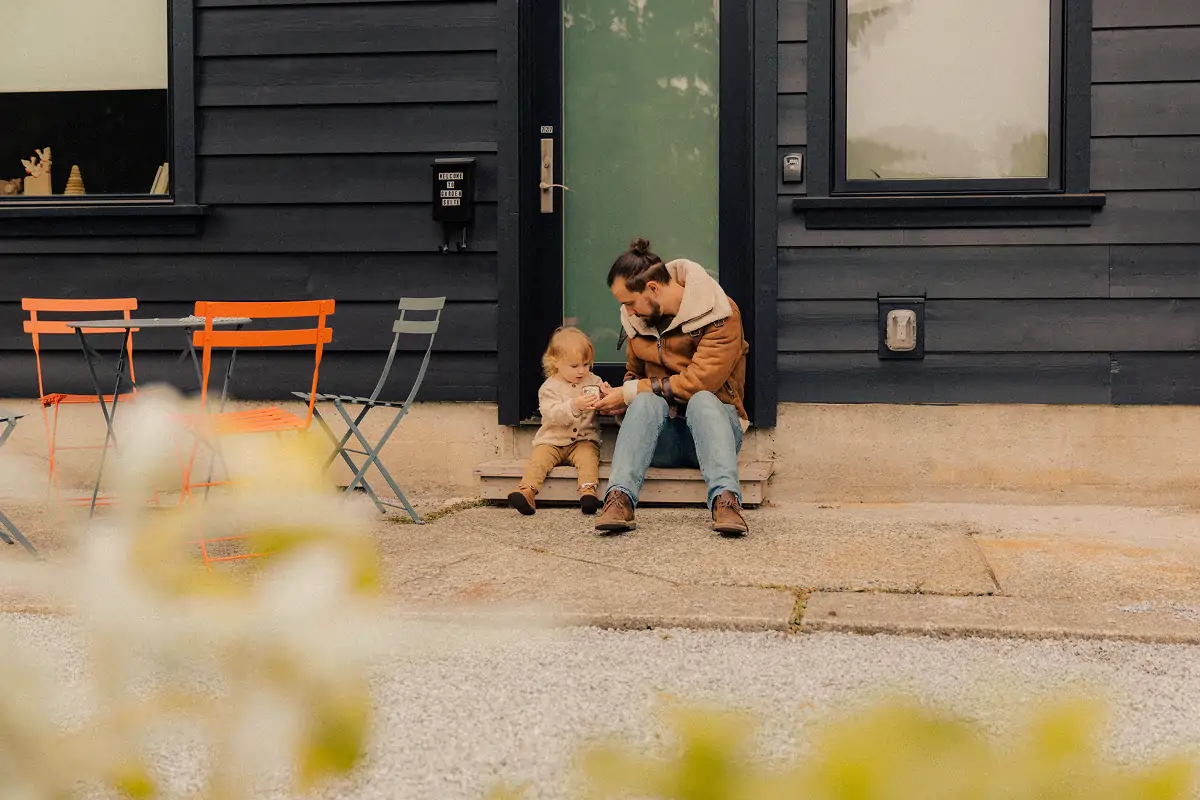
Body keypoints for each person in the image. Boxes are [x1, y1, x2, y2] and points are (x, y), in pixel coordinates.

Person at [590, 237, 751, 535]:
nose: (628, 311)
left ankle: (726, 501)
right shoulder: (638, 320)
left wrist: (630, 392)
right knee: (646, 401)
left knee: (702, 398)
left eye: (629, 302)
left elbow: (698, 382)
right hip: (661, 440)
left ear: (652, 288)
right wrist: (619, 396)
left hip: (714, 436)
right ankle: (619, 499)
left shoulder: (719, 313)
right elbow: (633, 375)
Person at [508, 326, 607, 516]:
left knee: (588, 459)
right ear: (556, 363)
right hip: (552, 440)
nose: (581, 371)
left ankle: (587, 492)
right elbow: (552, 414)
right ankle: (527, 491)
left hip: (583, 439)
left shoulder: (593, 381)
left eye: (586, 365)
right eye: (574, 366)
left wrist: (605, 397)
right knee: (539, 461)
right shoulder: (549, 388)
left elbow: (603, 405)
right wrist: (575, 406)